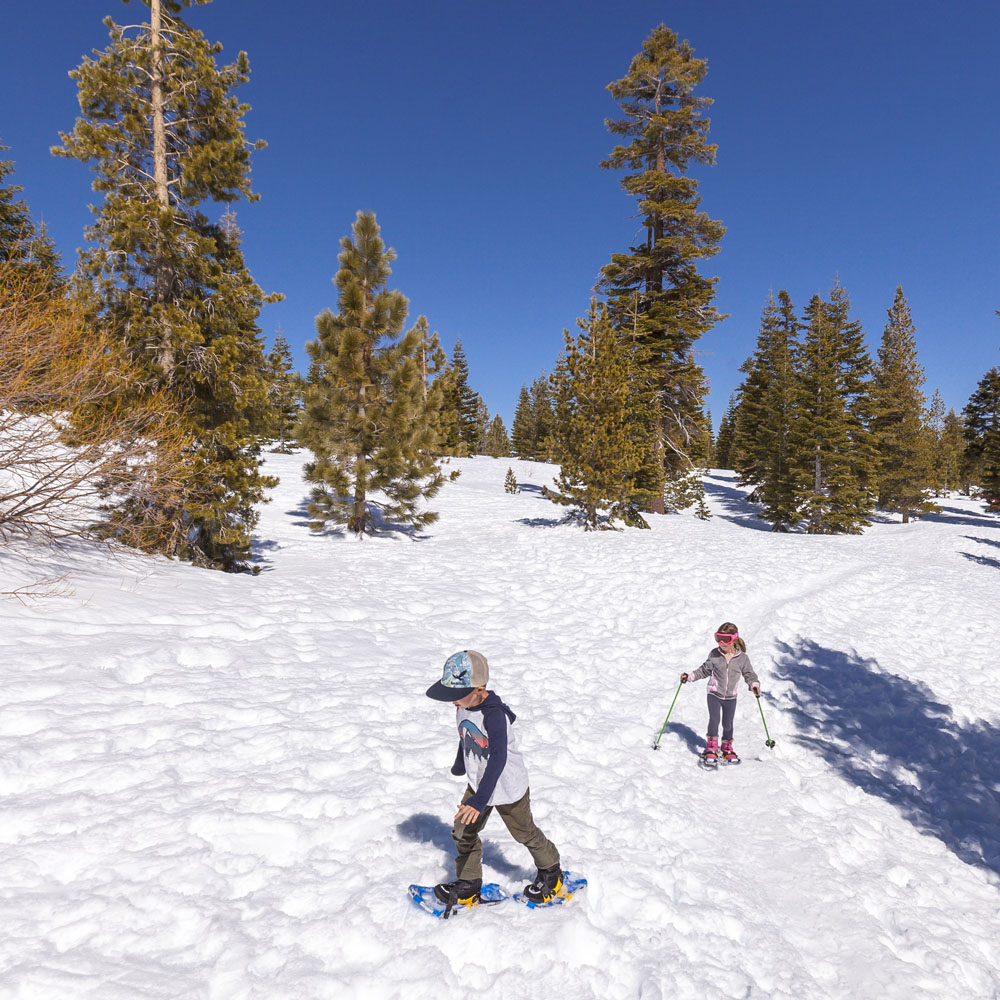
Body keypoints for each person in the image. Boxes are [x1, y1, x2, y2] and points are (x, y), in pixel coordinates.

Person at [425, 649, 563, 909]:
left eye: (456, 695)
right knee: (463, 831)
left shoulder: (495, 716)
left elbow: (498, 759)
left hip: (508, 787)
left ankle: (552, 872)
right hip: (479, 785)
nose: (452, 702)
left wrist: (479, 801)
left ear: (479, 689)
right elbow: (465, 735)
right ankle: (468, 884)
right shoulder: (464, 705)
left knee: (525, 833)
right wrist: (459, 765)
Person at [681, 622, 761, 763]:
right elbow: (704, 670)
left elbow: (749, 674)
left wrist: (754, 685)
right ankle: (711, 748)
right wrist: (690, 676)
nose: (722, 643)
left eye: (726, 639)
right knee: (714, 720)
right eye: (718, 638)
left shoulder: (742, 658)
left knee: (728, 723)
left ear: (734, 639)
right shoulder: (715, 654)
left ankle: (726, 748)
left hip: (731, 697)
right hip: (714, 693)